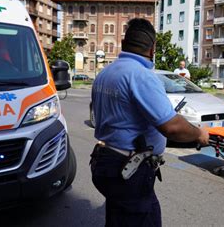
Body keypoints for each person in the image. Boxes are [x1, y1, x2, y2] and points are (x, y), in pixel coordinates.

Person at [90, 18, 209, 226]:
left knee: (118, 217)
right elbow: (172, 127)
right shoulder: (141, 76)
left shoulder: (105, 73)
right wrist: (200, 134)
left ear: (123, 42)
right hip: (128, 170)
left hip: (104, 161)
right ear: (152, 48)